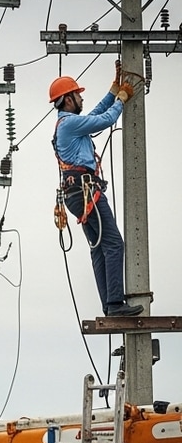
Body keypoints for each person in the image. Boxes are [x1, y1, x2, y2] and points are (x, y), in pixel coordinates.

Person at [50, 68, 141, 317]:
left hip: (77, 193)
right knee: (113, 243)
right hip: (85, 190)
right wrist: (121, 99)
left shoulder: (69, 124)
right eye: (78, 95)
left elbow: (95, 115)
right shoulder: (69, 123)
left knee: (100, 247)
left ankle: (110, 305)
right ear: (68, 99)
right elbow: (104, 120)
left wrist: (113, 93)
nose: (81, 99)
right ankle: (114, 304)